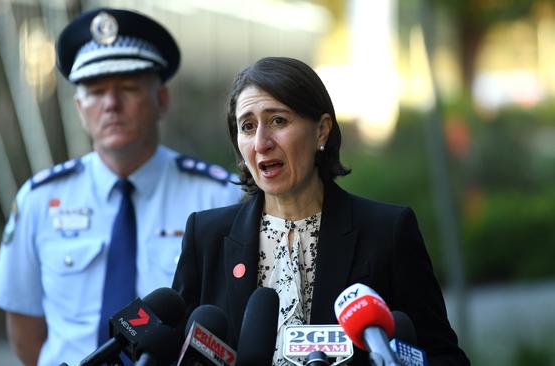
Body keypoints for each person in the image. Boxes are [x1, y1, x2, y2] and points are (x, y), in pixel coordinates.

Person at [172, 56, 470, 365]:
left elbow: (443, 356)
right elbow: (176, 350)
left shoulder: (387, 231)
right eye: (247, 126)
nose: (261, 142)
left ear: (322, 131)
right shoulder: (206, 236)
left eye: (278, 121)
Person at [0, 8, 243, 366]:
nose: (111, 104)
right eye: (95, 91)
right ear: (79, 107)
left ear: (161, 100)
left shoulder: (218, 197)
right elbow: (24, 325)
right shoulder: (40, 200)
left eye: (128, 87)